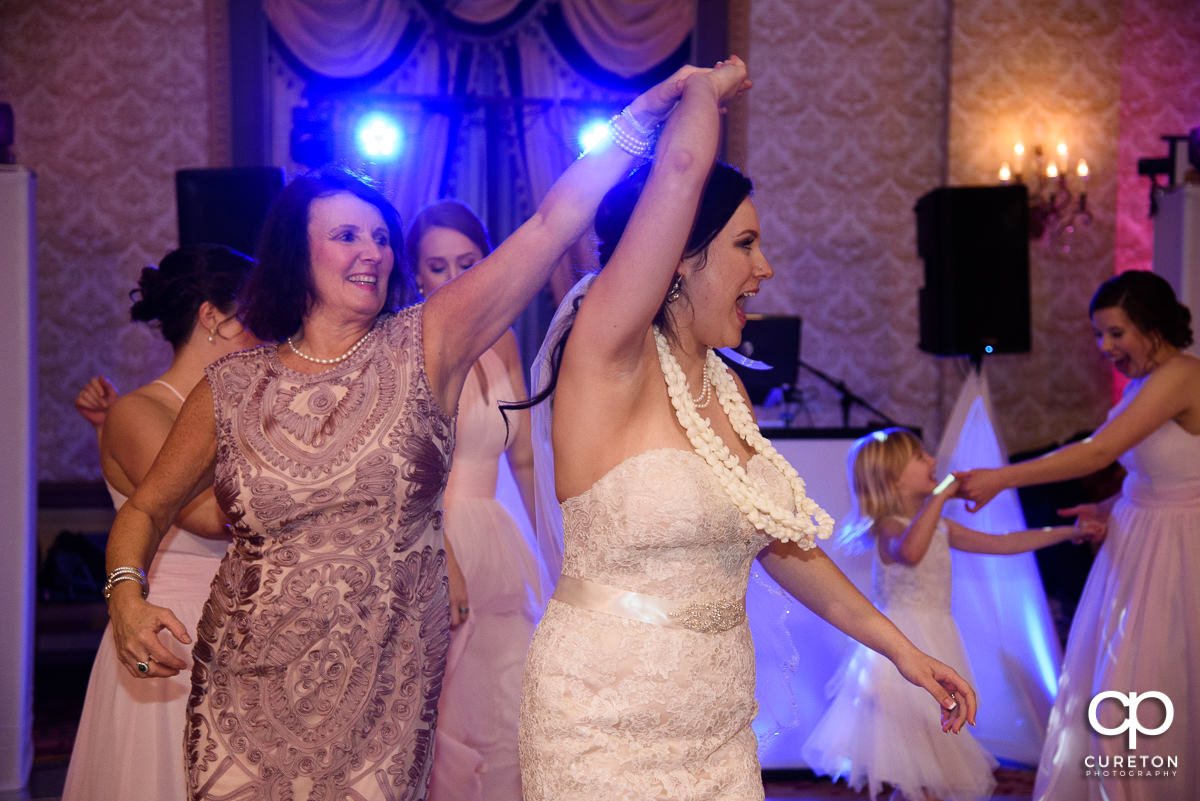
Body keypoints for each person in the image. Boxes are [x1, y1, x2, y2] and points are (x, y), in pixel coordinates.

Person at [101, 64, 699, 801]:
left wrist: (639, 120)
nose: (373, 251)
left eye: (381, 236)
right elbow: (144, 508)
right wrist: (126, 594)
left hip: (383, 689)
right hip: (245, 688)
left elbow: (549, 227)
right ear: (298, 251)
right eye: (347, 234)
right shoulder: (231, 386)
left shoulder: (425, 345)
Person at [515, 57, 977, 801]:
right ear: (675, 258)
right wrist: (705, 88)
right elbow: (682, 169)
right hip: (599, 722)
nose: (764, 268)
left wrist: (904, 652)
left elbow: (783, 545)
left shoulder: (727, 387)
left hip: (721, 729)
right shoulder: (606, 361)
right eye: (744, 244)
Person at [957, 270, 1200, 801]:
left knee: (1152, 681)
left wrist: (1002, 477)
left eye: (1115, 332)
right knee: (1116, 681)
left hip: (1180, 549)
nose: (1104, 346)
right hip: (1136, 540)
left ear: (1152, 324)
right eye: (1099, 334)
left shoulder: (1182, 375)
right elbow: (1161, 471)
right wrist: (1111, 504)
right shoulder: (1143, 382)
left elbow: (1096, 453)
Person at [802, 427, 1103, 801]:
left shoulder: (939, 526)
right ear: (893, 479)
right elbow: (911, 551)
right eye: (920, 458)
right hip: (901, 650)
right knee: (919, 772)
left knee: (928, 777)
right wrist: (941, 496)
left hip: (939, 640)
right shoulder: (889, 527)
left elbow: (1003, 544)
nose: (933, 462)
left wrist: (1064, 533)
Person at [62, 244, 258, 801]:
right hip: (173, 631)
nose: (267, 330)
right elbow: (207, 517)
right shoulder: (138, 412)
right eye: (255, 312)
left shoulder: (247, 404)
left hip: (251, 624)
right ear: (213, 317)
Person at [404, 200, 542, 801]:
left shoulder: (506, 340)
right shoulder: (410, 347)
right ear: (416, 275)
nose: (455, 276)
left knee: (510, 701)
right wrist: (444, 557)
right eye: (438, 266)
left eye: (468, 261)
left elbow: (528, 459)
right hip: (438, 536)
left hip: (500, 539)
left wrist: (550, 547)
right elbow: (411, 473)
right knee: (446, 706)